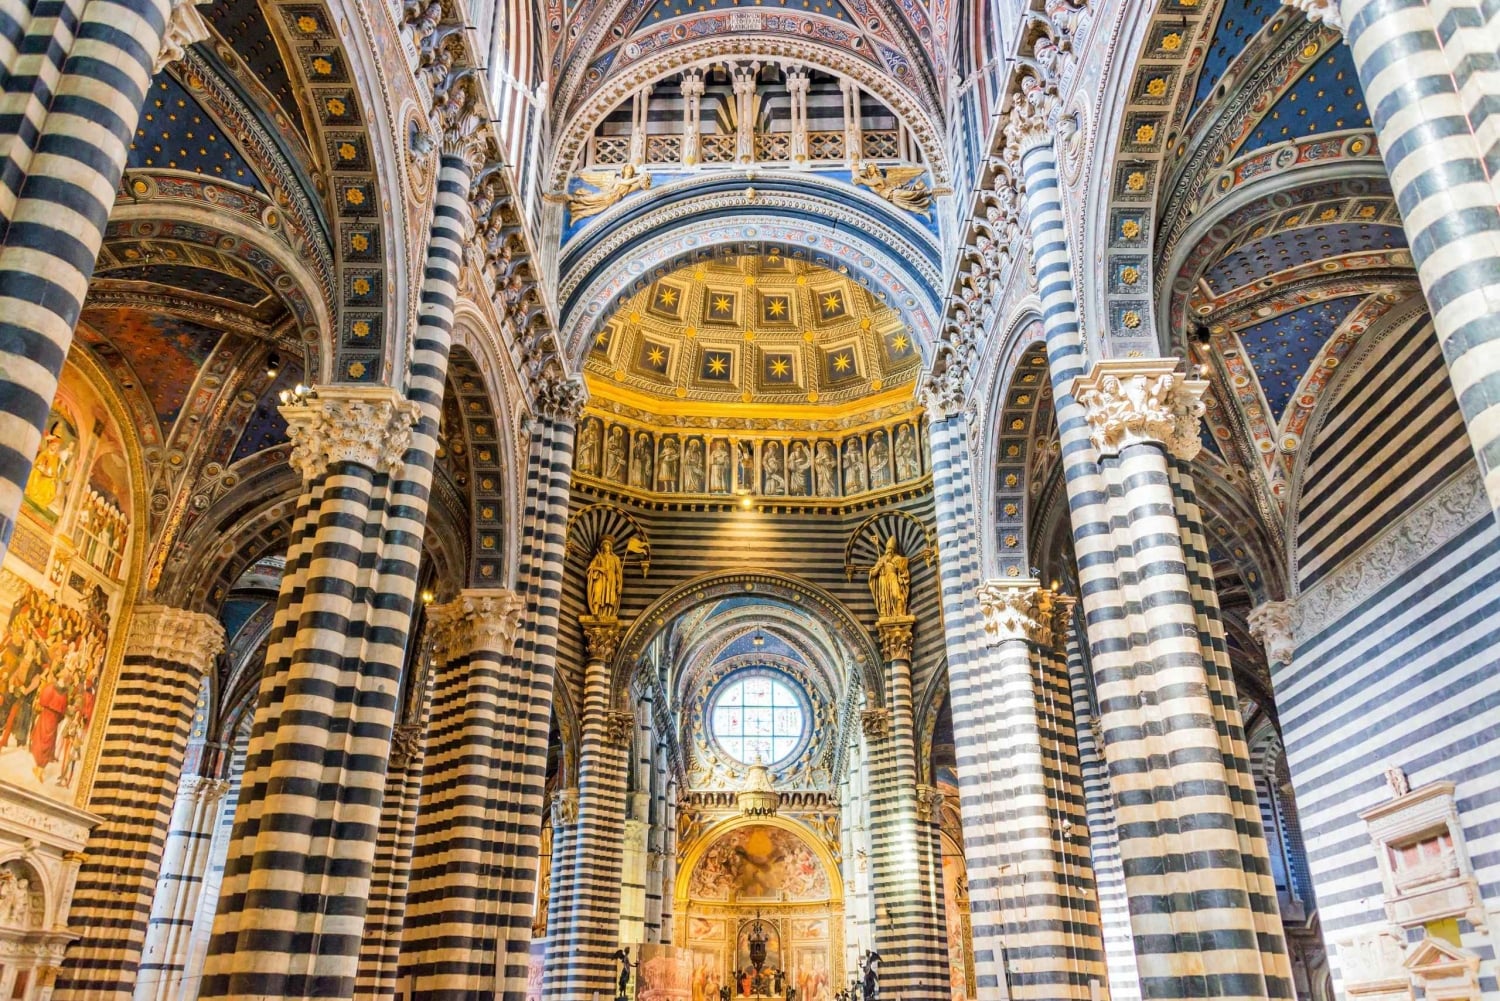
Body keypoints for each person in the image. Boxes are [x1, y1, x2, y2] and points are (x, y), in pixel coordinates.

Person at [868, 537, 910, 619]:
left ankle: (900, 613)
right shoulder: (882, 559)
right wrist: (878, 567)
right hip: (883, 579)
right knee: (883, 598)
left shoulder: (898, 558)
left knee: (897, 595)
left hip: (893, 578)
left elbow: (904, 571)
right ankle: (885, 613)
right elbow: (873, 574)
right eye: (888, 549)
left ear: (894, 550)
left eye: (891, 549)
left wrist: (898, 566)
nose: (889, 551)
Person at [586, 536, 624, 619]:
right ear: (602, 547)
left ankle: (608, 614)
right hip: (600, 578)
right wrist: (600, 569)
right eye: (604, 545)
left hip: (611, 579)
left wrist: (619, 584)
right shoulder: (598, 556)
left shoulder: (615, 558)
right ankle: (596, 611)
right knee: (597, 593)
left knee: (610, 597)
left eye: (607, 545)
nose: (606, 546)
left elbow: (618, 573)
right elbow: (590, 568)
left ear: (610, 547)